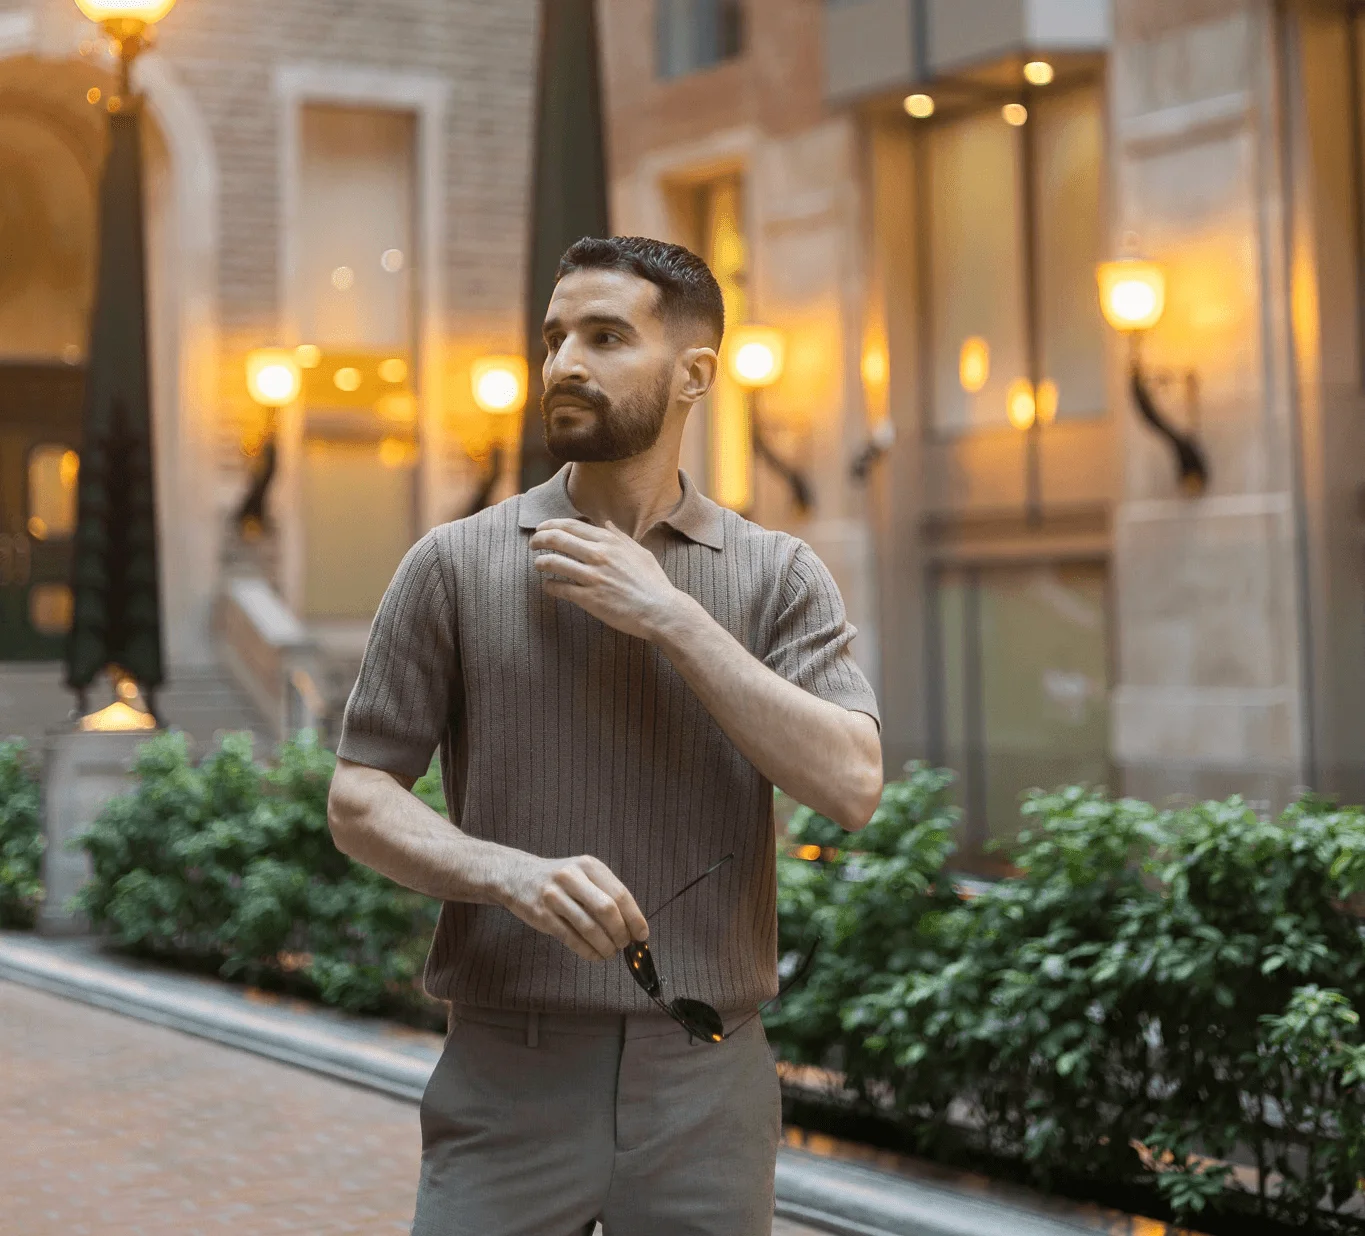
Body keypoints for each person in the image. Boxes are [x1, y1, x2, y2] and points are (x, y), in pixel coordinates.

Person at [327, 235, 884, 1236]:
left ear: (694, 374)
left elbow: (851, 783)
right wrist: (508, 874)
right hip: (509, 1072)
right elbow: (359, 796)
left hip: (707, 1083)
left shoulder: (776, 573)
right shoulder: (452, 564)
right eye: (554, 338)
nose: (565, 363)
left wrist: (671, 616)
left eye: (606, 336)